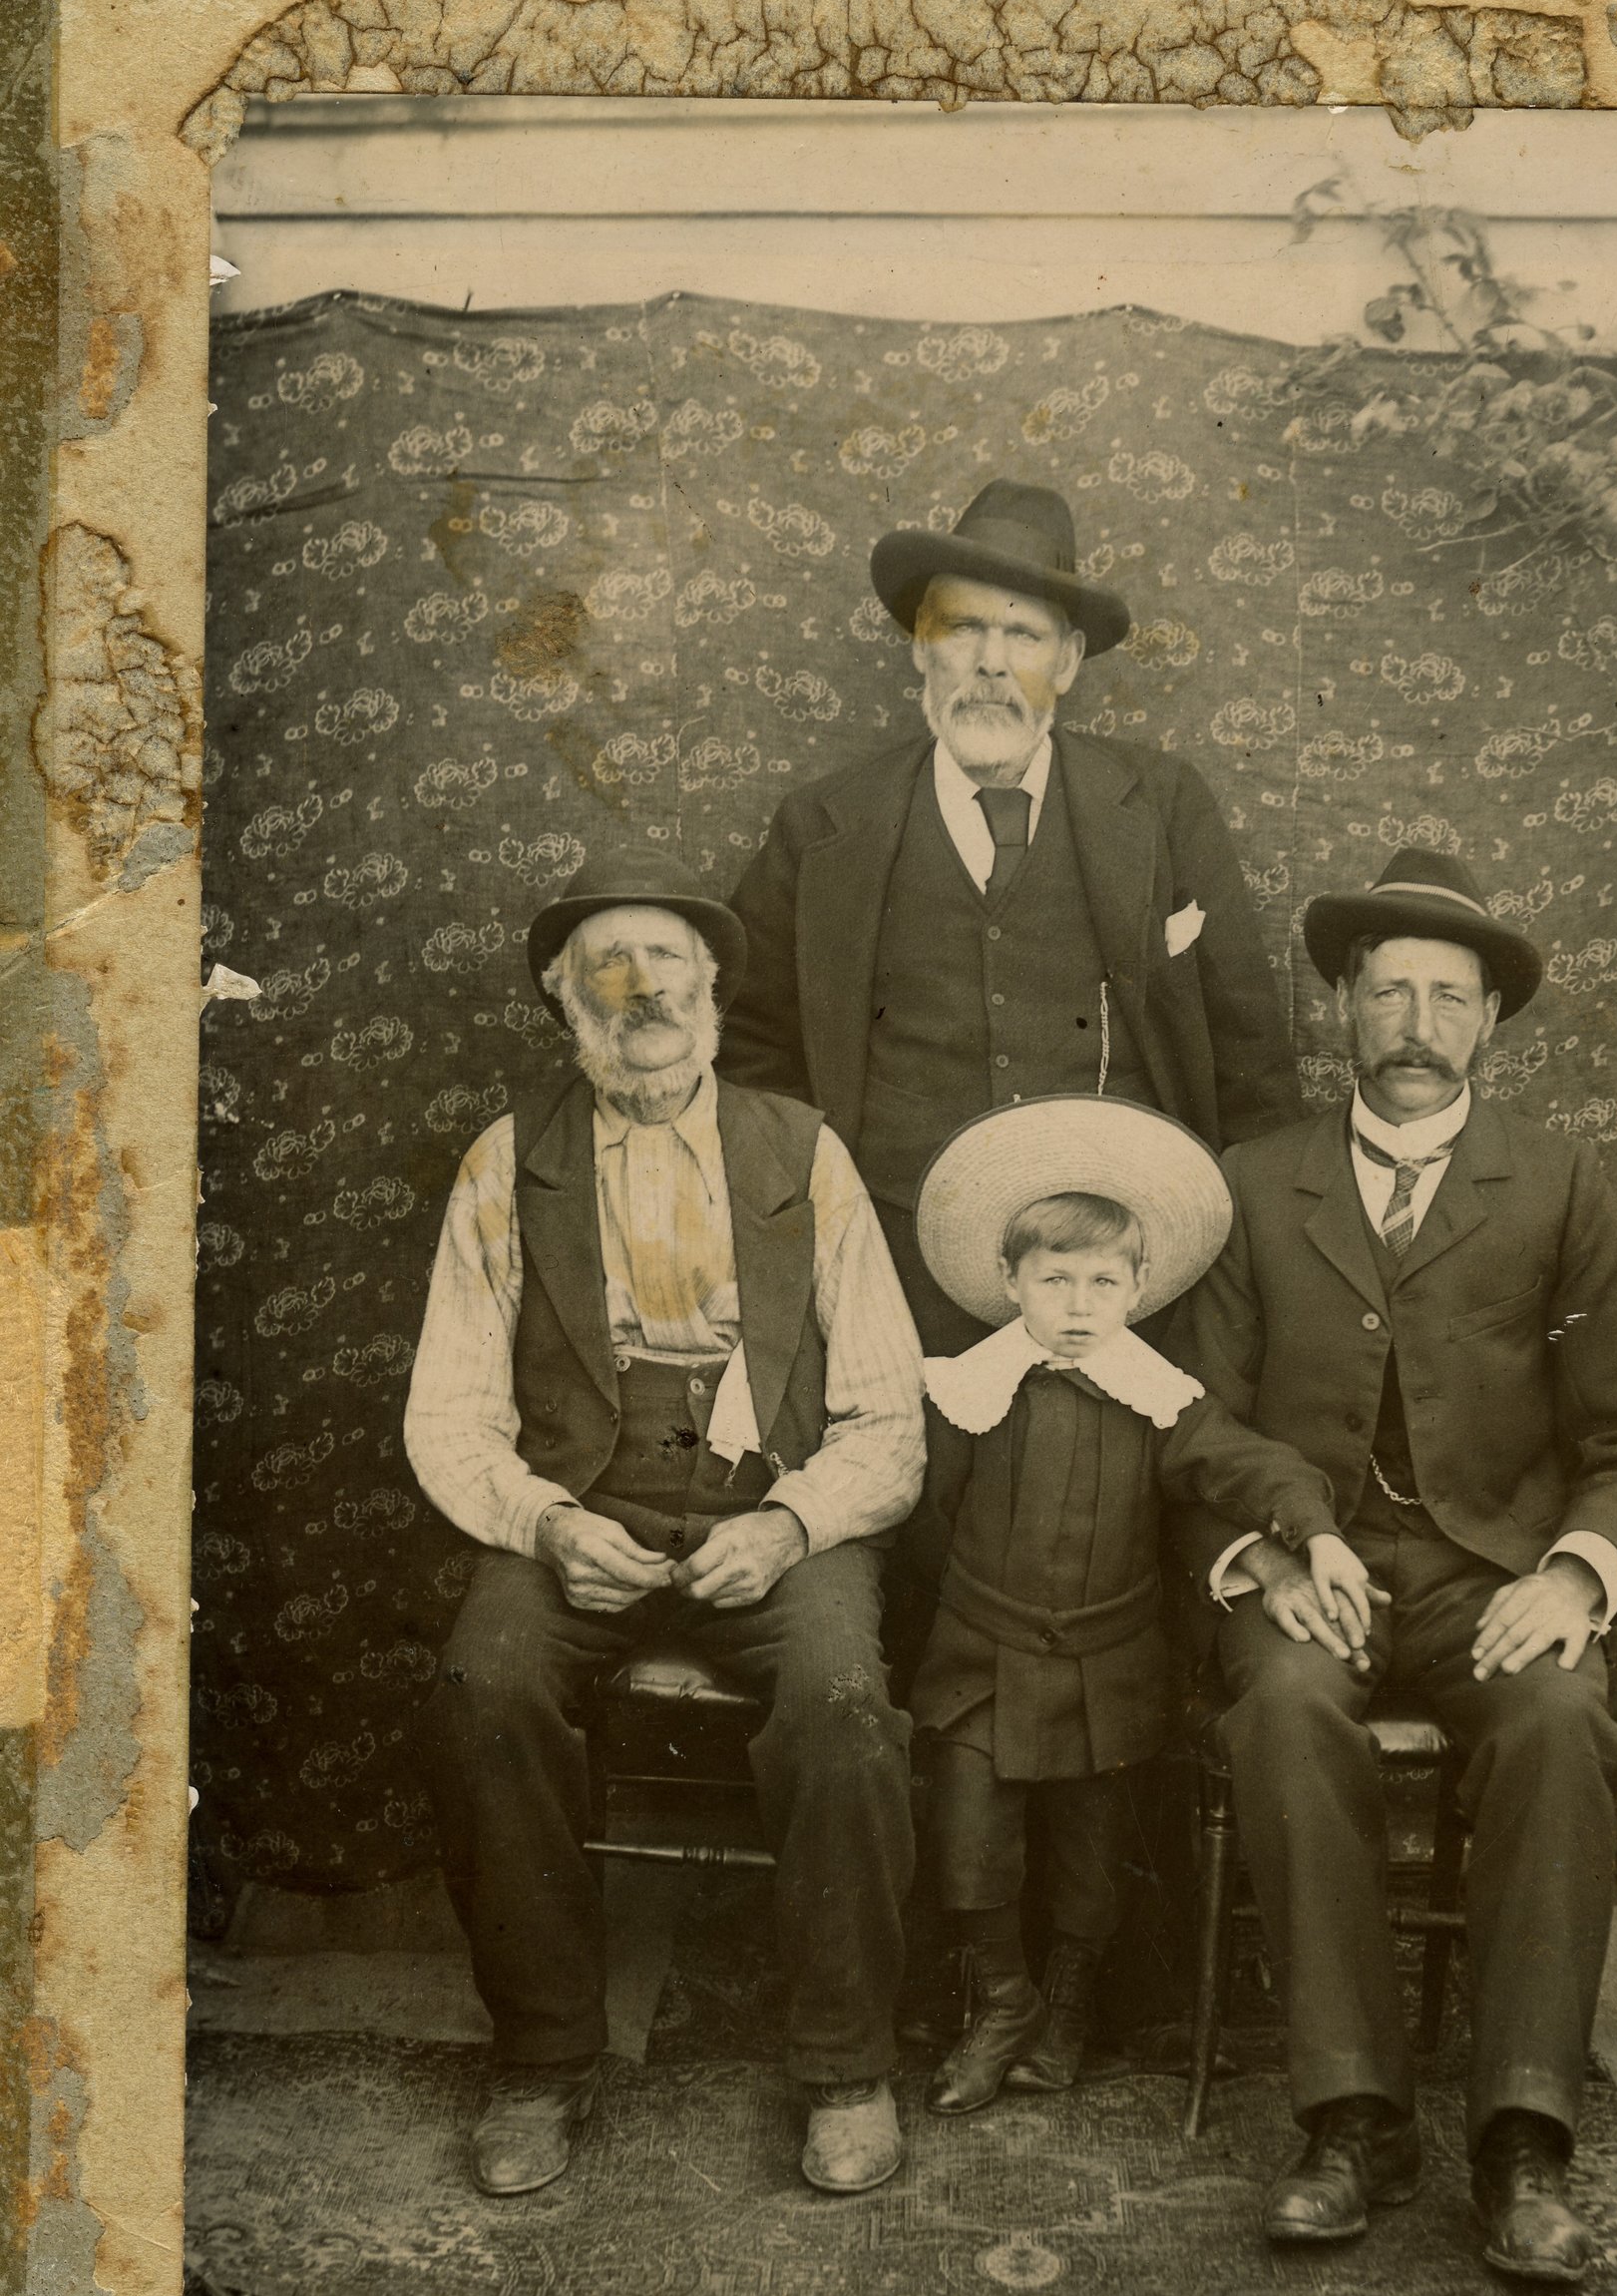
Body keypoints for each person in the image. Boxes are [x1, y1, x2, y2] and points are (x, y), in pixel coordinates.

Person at [1174, 845, 1617, 2281]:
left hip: (1490, 1573)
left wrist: (1579, 1576)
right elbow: (1195, 1416)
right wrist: (1259, 1554)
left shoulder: (1558, 1183)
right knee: (1281, 1708)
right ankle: (1351, 2119)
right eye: (1388, 988)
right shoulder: (1253, 1179)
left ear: (1489, 1023)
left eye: (1447, 996)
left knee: (1558, 1712)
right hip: (1309, 1569)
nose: (1416, 1020)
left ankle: (1522, 2138)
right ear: (1343, 1002)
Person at [404, 850, 926, 2204]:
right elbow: (450, 1413)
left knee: (842, 1702)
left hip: (775, 1507)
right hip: (583, 1503)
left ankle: (844, 2066)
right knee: (483, 1683)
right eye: (606, 980)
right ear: (558, 1000)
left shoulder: (803, 1150)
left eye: (664, 976)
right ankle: (542, 2056)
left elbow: (888, 1419)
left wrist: (796, 1521)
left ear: (712, 990)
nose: (640, 1004)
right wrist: (545, 1521)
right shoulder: (506, 1161)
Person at [719, 477, 1302, 1348]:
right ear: (922, 645)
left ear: (1066, 662)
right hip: (891, 1271)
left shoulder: (1164, 805)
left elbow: (1251, 1059)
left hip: (1118, 1273)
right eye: (962, 627)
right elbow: (750, 1054)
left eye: (1023, 633)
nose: (992, 662)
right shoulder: (824, 825)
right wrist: (816, 1217)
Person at [899, 1098, 1345, 2113]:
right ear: (1008, 1282)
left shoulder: (1163, 1400)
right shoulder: (966, 1394)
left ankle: (1063, 2004)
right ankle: (1003, 2000)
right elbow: (926, 1521)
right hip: (983, 1654)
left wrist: (1307, 1525)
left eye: (1103, 1281)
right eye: (1052, 1279)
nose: (1076, 1304)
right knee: (969, 1841)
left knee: (1094, 1858)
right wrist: (964, 1617)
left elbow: (1249, 1465)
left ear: (1140, 1289)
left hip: (1108, 1662)